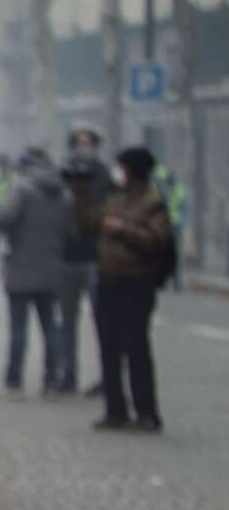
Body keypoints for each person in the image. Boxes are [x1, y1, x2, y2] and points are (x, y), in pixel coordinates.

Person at [82, 147, 173, 430]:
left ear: (132, 170)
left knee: (136, 348)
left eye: (121, 166)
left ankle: (146, 412)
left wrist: (121, 230)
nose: (117, 171)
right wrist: (81, 193)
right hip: (108, 281)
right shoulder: (115, 198)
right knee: (109, 348)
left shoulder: (152, 202)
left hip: (137, 283)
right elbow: (88, 224)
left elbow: (156, 239)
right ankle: (115, 410)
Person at [0, 148, 70, 397]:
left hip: (22, 268)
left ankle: (14, 380)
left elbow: (4, 218)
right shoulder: (63, 193)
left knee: (19, 327)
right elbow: (70, 228)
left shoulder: (21, 189)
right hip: (52, 268)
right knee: (50, 326)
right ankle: (52, 379)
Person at [57, 128, 113, 395]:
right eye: (78, 144)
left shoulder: (104, 176)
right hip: (67, 258)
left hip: (95, 257)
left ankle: (107, 376)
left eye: (88, 144)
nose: (83, 149)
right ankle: (68, 374)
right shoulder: (62, 176)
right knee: (67, 322)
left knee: (103, 322)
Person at [153, 159, 188, 292]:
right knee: (171, 255)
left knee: (170, 254)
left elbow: (183, 207)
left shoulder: (161, 188)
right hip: (171, 225)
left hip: (170, 225)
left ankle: (173, 282)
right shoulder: (176, 188)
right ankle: (173, 282)